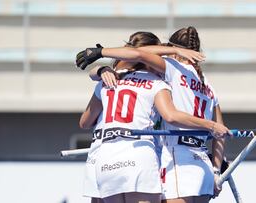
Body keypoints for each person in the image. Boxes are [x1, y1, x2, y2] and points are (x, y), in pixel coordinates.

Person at [76, 26, 229, 203]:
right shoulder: (209, 87)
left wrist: (101, 56)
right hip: (201, 161)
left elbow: (138, 53)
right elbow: (221, 134)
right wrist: (216, 171)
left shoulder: (171, 69)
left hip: (170, 158)